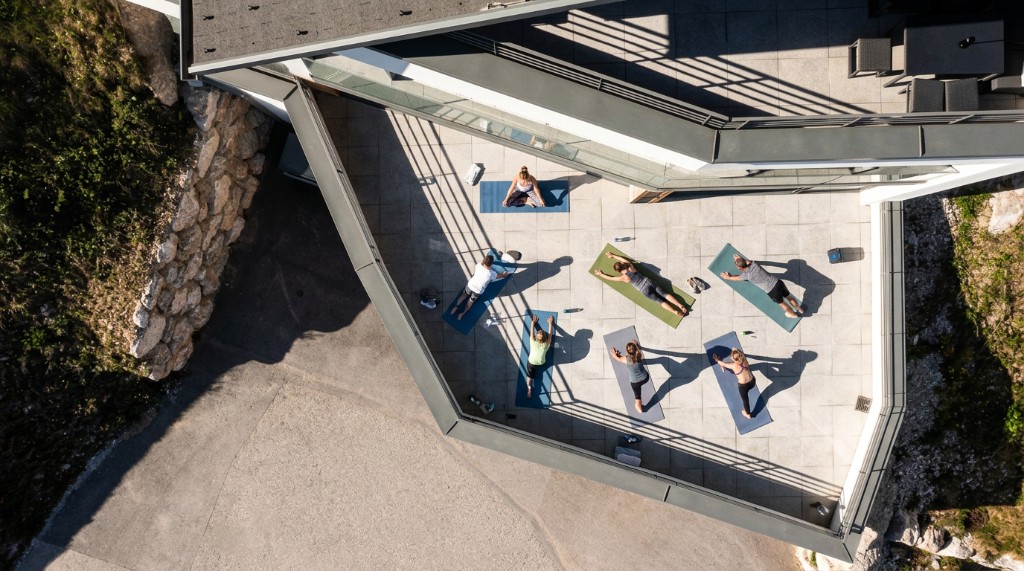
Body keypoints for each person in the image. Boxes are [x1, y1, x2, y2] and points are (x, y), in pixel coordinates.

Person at [592, 251, 689, 317]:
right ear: (621, 264)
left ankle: (675, 312)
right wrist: (612, 255)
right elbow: (622, 259)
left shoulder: (623, 278)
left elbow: (611, 278)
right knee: (665, 294)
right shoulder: (630, 266)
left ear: (618, 271)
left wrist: (601, 274)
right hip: (648, 281)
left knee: (660, 302)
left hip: (643, 290)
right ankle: (680, 305)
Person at [719, 254, 804, 318]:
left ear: (739, 268)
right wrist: (739, 259)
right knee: (789, 297)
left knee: (783, 304)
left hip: (772, 291)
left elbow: (736, 278)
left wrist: (727, 277)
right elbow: (748, 261)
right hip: (778, 282)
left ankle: (793, 315)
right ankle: (799, 308)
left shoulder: (746, 275)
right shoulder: (754, 264)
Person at [450, 254, 509, 320]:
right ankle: (462, 313)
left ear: (484, 260)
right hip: (477, 291)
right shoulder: (491, 273)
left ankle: (456, 306)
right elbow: (500, 276)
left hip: (470, 285)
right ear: (491, 264)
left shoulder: (478, 265)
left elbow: (482, 263)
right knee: (470, 301)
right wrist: (505, 274)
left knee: (464, 294)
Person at [713, 348, 757, 419]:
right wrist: (735, 350)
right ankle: (723, 367)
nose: (731, 358)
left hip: (744, 387)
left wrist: (717, 360)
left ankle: (748, 414)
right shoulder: (744, 359)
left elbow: (723, 363)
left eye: (732, 358)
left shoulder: (733, 366)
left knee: (745, 400)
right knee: (738, 367)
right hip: (752, 382)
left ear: (735, 359)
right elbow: (736, 351)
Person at [610, 340, 649, 413]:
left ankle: (639, 409)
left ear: (627, 352)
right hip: (645, 378)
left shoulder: (626, 359)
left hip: (635, 383)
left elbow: (617, 358)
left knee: (638, 399)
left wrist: (614, 354)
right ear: (636, 349)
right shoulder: (639, 355)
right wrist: (635, 344)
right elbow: (636, 349)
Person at [525, 314, 555, 398]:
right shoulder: (546, 344)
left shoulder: (532, 341)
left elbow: (531, 332)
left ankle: (529, 389)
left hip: (531, 362)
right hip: (542, 362)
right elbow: (550, 335)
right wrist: (550, 323)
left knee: (529, 376)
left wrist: (533, 322)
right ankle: (529, 387)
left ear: (536, 337)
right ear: (544, 338)